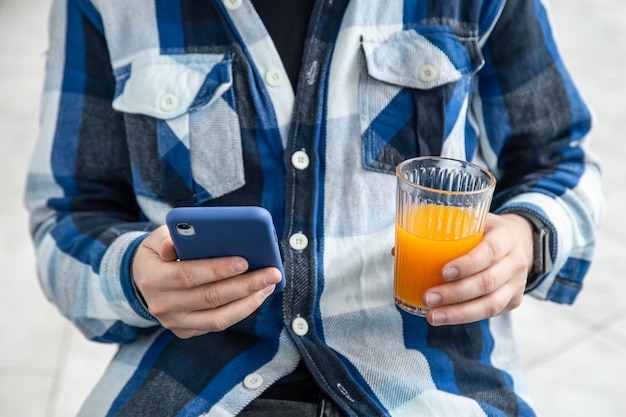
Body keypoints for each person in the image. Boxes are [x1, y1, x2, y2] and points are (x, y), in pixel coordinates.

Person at [24, 0, 603, 416]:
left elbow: (560, 159)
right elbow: (67, 217)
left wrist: (529, 237)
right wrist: (131, 274)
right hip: (188, 382)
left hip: (434, 381)